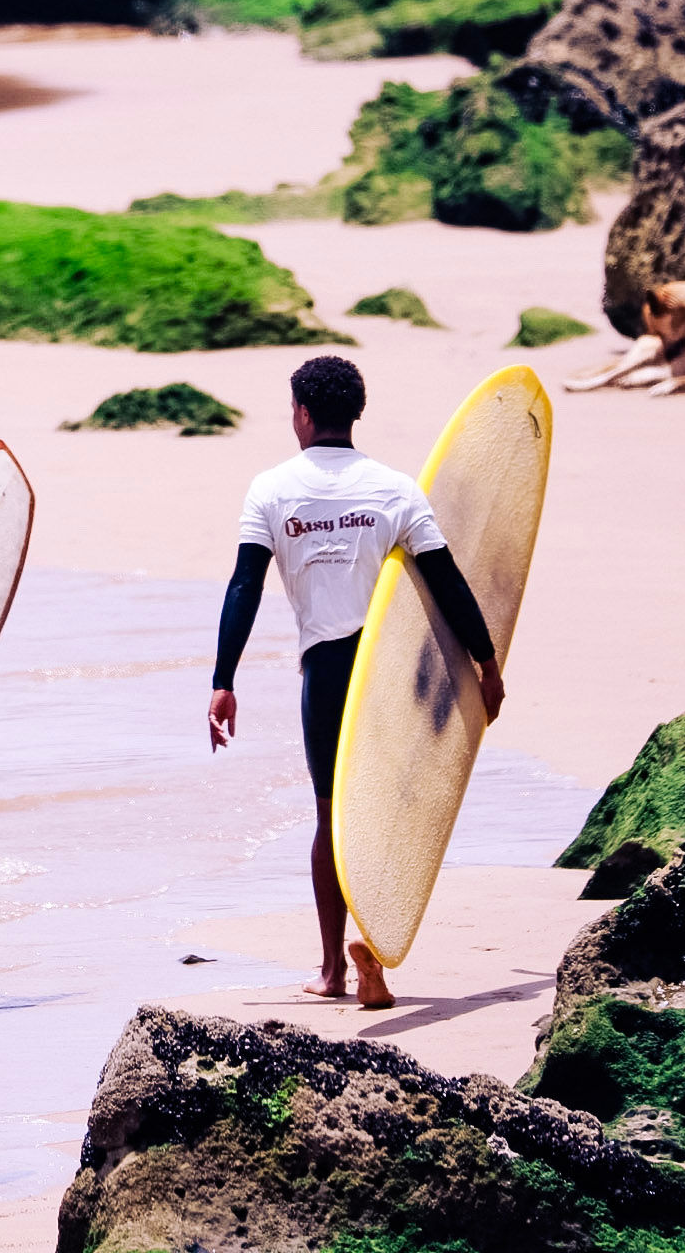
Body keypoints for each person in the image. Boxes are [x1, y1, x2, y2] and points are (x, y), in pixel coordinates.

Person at [207, 357, 505, 1009]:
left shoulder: (271, 490)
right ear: (353, 413)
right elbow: (448, 581)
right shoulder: (395, 489)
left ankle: (333, 969)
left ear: (304, 414)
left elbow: (244, 586)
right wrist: (487, 663)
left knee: (329, 813)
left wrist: (223, 680)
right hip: (392, 672)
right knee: (387, 811)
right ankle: (373, 945)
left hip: (329, 670)